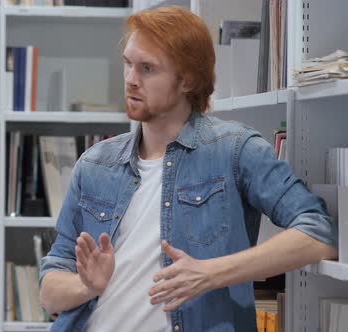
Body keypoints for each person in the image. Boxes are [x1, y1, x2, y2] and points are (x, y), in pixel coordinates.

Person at [38, 6, 337, 332]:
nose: (130, 80)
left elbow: (317, 233)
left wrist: (210, 272)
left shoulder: (234, 150)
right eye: (128, 64)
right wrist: (88, 286)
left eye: (147, 69)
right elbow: (49, 293)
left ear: (188, 81)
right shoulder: (95, 164)